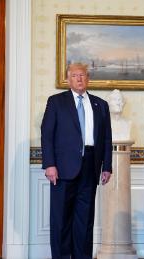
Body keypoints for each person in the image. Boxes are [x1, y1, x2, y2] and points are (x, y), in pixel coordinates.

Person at [41, 63, 112, 259]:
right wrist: (49, 164)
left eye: (82, 75)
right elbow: (47, 135)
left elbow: (106, 138)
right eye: (74, 75)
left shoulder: (100, 104)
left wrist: (107, 166)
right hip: (62, 168)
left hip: (90, 166)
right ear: (68, 79)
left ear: (88, 78)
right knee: (61, 219)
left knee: (85, 220)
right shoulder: (56, 102)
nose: (79, 79)